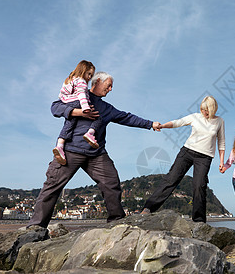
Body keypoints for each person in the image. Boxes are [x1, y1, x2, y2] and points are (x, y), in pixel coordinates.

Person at [28, 71, 161, 228]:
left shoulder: (107, 108)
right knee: (52, 186)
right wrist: (78, 112)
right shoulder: (79, 95)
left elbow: (127, 117)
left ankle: (116, 222)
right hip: (70, 151)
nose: (111, 89)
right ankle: (35, 228)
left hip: (96, 154)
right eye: (108, 85)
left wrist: (150, 124)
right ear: (97, 81)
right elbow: (55, 107)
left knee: (111, 182)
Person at [141, 96, 225, 223]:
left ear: (213, 109)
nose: (203, 112)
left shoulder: (219, 121)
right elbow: (177, 123)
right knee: (171, 179)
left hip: (205, 157)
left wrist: (221, 162)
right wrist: (163, 126)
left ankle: (199, 221)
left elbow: (221, 142)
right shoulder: (195, 117)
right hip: (187, 152)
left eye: (206, 110)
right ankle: (148, 208)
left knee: (199, 186)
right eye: (202, 109)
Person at [53, 60, 101, 165]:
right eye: (89, 74)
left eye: (91, 75)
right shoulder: (81, 81)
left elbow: (61, 94)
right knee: (98, 117)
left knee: (69, 124)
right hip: (78, 103)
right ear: (83, 71)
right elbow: (81, 94)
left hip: (68, 103)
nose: (89, 77)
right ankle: (90, 134)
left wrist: (65, 100)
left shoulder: (69, 79)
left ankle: (60, 145)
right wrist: (85, 107)